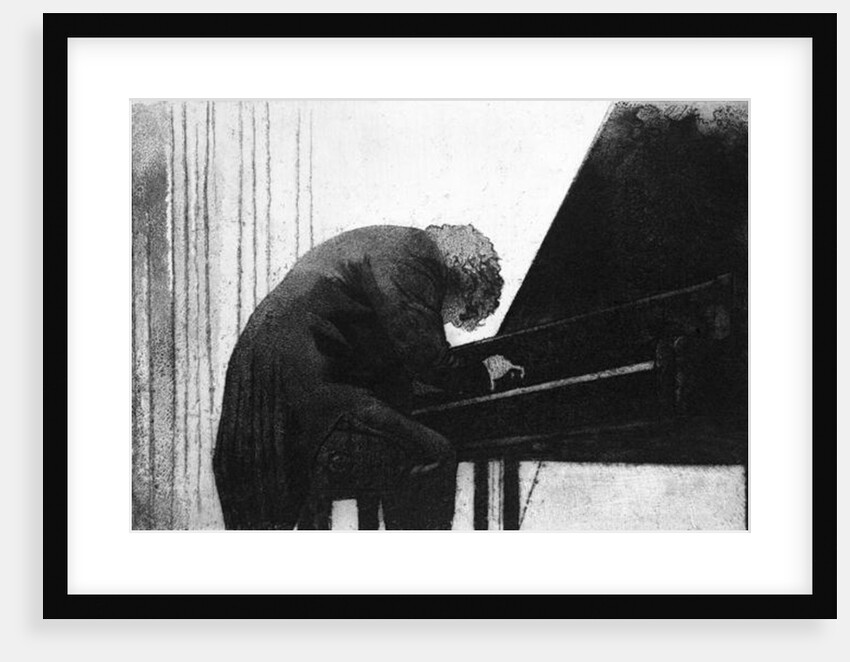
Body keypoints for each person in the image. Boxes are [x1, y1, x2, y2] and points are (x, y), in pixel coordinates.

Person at [212, 224, 523, 529]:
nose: (450, 321)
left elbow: (396, 366)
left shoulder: (392, 249)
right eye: (461, 312)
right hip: (300, 400)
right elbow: (428, 360)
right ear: (464, 282)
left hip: (269, 399)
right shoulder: (415, 258)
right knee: (430, 457)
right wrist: (485, 374)